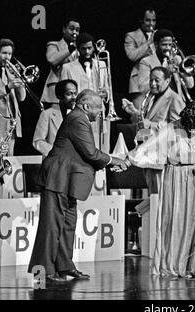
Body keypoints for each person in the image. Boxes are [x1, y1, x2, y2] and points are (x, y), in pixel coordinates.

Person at [28, 89, 129, 283]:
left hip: (67, 181)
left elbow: (81, 154)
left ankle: (64, 266)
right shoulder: (78, 119)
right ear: (86, 106)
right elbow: (90, 152)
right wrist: (113, 160)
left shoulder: (78, 118)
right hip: (57, 179)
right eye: (98, 108)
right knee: (50, 228)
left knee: (67, 225)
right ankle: (42, 273)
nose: (101, 112)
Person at [127, 101, 195, 278]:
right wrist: (128, 160)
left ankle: (193, 267)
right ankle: (172, 265)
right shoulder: (171, 128)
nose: (194, 132)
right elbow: (149, 147)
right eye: (190, 128)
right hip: (176, 177)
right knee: (175, 220)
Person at [122, 66, 185, 194]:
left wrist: (150, 124)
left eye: (157, 80)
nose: (153, 84)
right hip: (150, 155)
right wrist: (135, 113)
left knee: (161, 198)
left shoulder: (174, 98)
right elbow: (147, 121)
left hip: (164, 159)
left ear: (168, 81)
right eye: (151, 80)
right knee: (154, 197)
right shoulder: (150, 96)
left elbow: (177, 128)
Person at [60, 32, 111, 153]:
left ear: (94, 47)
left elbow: (107, 89)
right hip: (79, 113)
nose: (87, 52)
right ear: (78, 49)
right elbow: (64, 94)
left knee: (100, 146)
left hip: (99, 112)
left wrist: (106, 94)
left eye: (89, 48)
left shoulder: (102, 64)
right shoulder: (68, 67)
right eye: (83, 49)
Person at [137, 29, 194, 102]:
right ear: (156, 45)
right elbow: (143, 88)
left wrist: (182, 71)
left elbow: (190, 85)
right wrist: (165, 71)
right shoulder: (146, 62)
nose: (168, 48)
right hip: (157, 105)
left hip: (177, 104)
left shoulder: (177, 59)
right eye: (164, 44)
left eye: (170, 44)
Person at [40, 18, 80, 110]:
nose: (75, 32)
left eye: (77, 30)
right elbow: (52, 60)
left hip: (73, 93)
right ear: (64, 29)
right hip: (56, 93)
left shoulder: (80, 50)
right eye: (71, 28)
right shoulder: (54, 45)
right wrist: (70, 49)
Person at [33, 79, 78, 156]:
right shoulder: (47, 114)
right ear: (60, 96)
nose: (73, 97)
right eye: (69, 94)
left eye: (75, 93)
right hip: (54, 161)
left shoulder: (79, 115)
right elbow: (38, 141)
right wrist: (56, 152)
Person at [125, 8, 157, 99]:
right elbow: (132, 55)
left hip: (159, 81)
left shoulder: (159, 35)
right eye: (148, 20)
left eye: (153, 20)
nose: (151, 24)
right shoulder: (131, 36)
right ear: (141, 21)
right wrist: (150, 41)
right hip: (139, 82)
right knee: (139, 113)